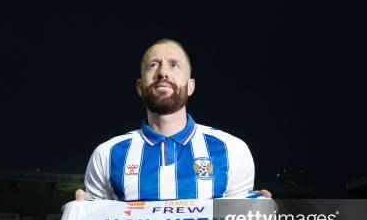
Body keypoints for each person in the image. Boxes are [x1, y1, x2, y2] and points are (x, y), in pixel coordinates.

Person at [76, 38, 270, 201]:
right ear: (139, 86)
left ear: (191, 86)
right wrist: (78, 217)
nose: (163, 73)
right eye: (153, 65)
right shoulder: (107, 154)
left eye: (174, 65)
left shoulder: (232, 149)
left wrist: (256, 216)